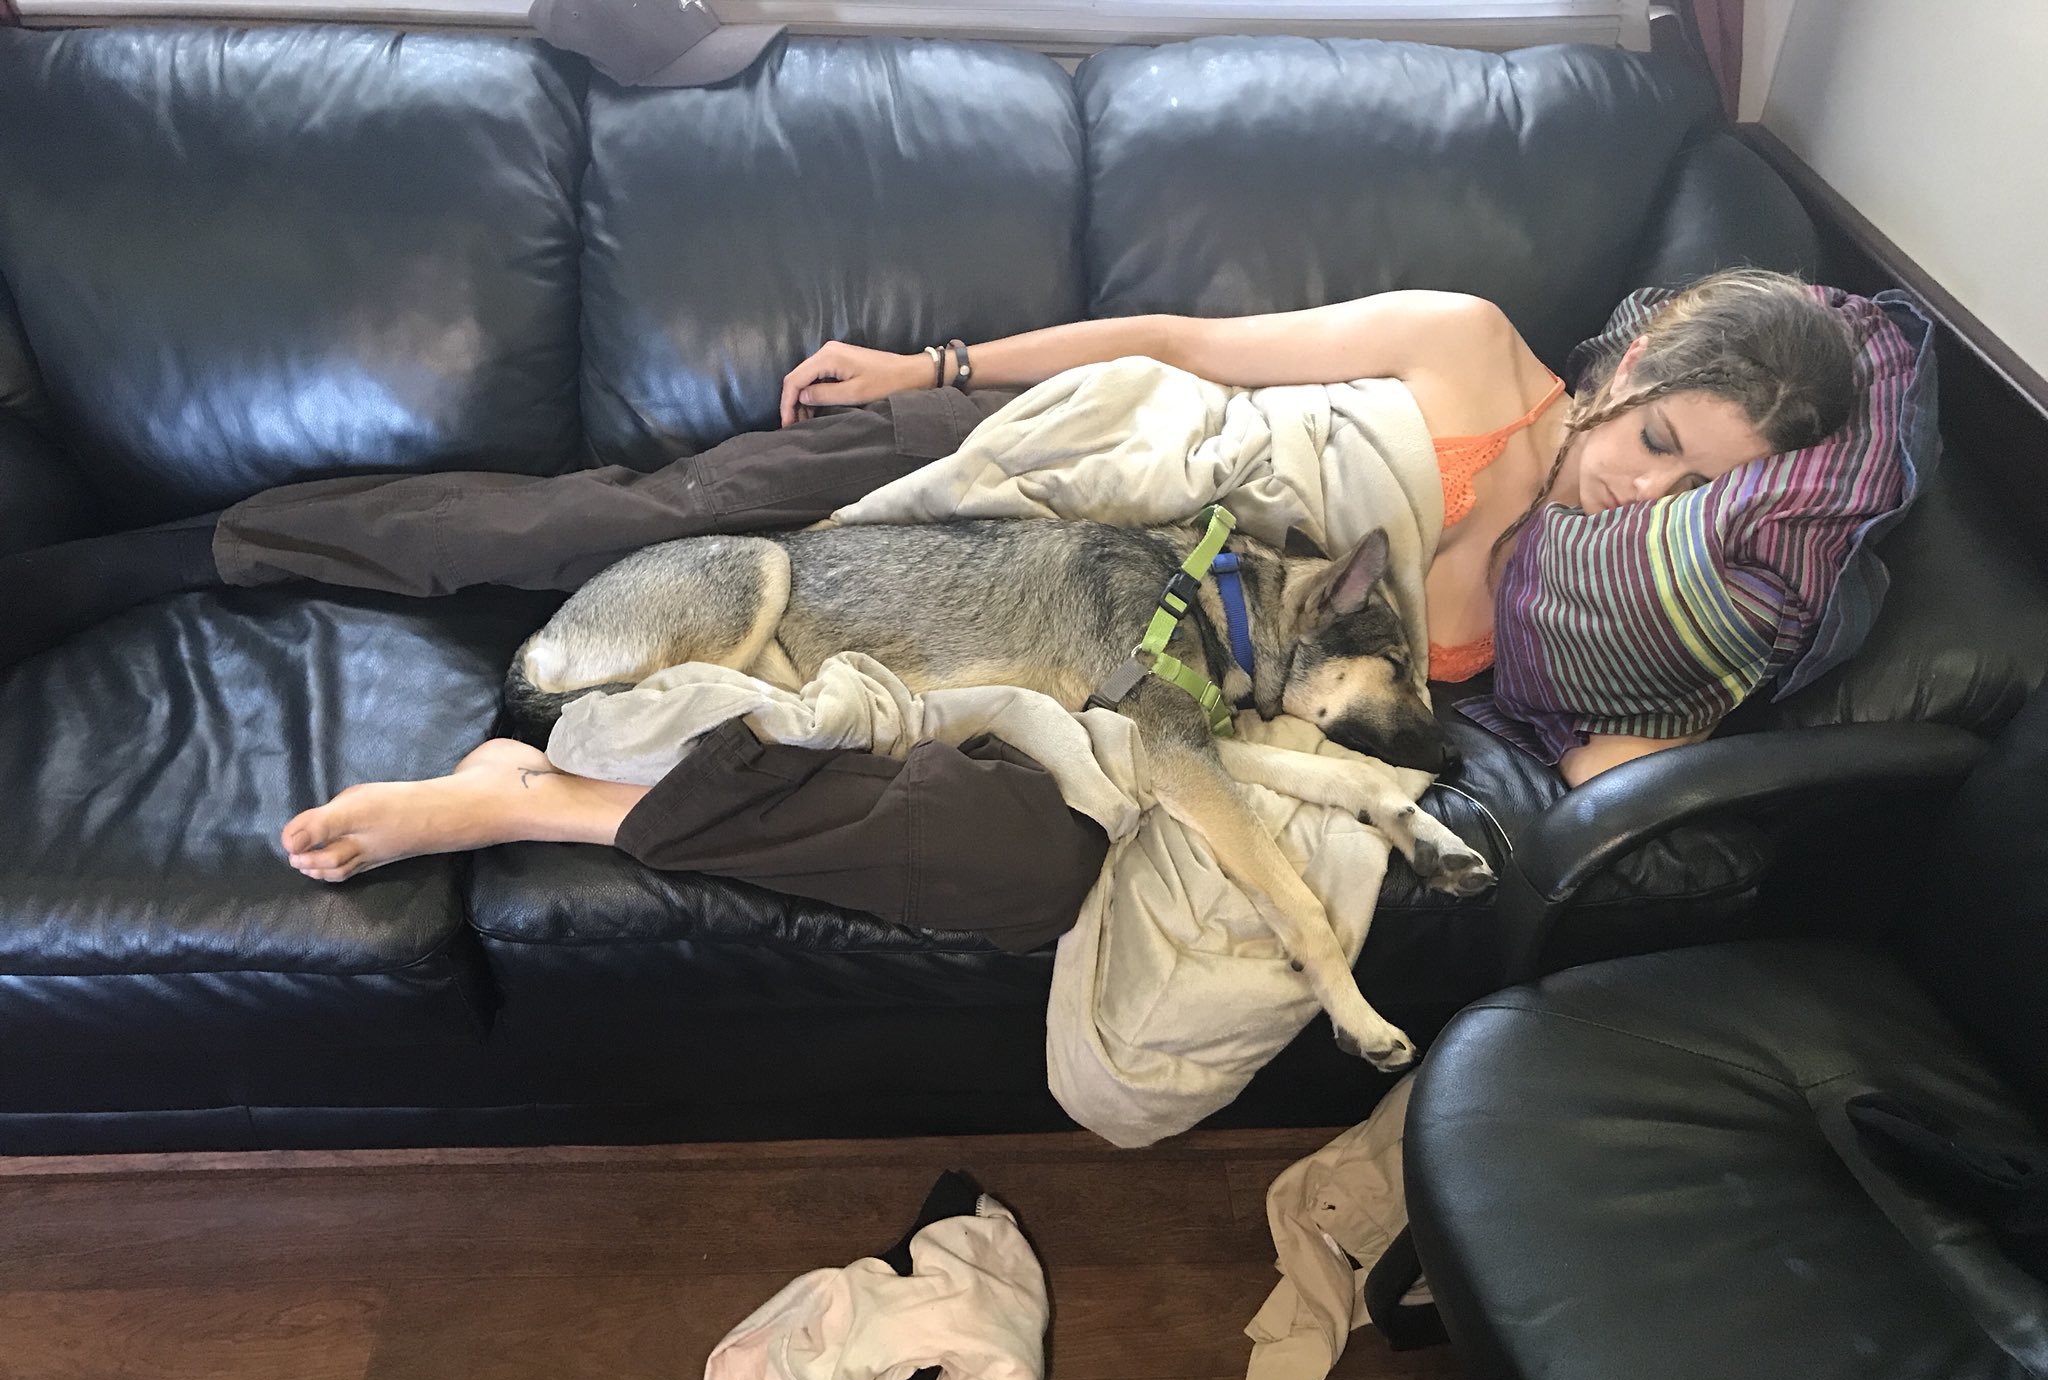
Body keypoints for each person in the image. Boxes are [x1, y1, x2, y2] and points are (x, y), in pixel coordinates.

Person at [0, 267, 1858, 886]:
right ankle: (180, 551)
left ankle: (539, 795)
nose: (1641, 491)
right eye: (1656, 439)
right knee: (590, 533)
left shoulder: (1581, 617)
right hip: (1004, 482)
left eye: (1698, 492)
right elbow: (1184, 348)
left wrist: (1687, 706)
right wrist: (937, 367)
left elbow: (1597, 780)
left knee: (976, 835)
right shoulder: (1463, 350)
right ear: (1634, 363)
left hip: (1071, 661)